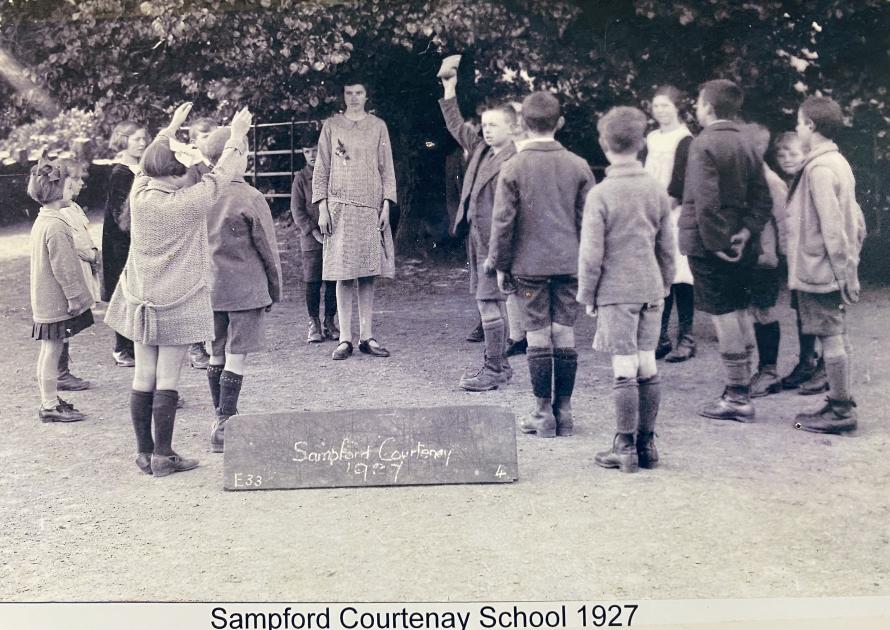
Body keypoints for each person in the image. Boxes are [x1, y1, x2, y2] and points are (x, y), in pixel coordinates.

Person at [104, 102, 253, 477]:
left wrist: (170, 128)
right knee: (168, 380)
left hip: (140, 298)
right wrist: (237, 135)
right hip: (176, 300)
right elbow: (225, 172)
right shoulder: (188, 203)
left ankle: (144, 452)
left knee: (143, 376)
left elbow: (150, 157)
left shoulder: (140, 192)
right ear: (174, 175)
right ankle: (164, 455)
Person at [488, 91, 596, 437]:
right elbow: (589, 223)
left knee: (536, 334)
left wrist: (500, 265)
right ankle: (565, 412)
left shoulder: (513, 167)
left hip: (528, 267)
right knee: (564, 332)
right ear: (559, 123)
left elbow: (503, 222)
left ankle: (542, 412)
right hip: (569, 265)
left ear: (521, 124)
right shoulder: (579, 165)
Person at [577, 106, 675, 472]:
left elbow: (591, 254)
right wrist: (664, 283)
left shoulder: (602, 193)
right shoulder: (656, 189)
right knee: (648, 362)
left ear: (604, 145)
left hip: (616, 291)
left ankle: (625, 445)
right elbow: (667, 245)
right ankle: (648, 445)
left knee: (623, 366)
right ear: (643, 143)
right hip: (651, 288)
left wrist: (588, 295)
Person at [679, 79, 772, 422]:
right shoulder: (748, 142)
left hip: (709, 245)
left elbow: (705, 202)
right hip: (743, 243)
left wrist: (717, 245)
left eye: (699, 104)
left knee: (724, 314)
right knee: (740, 309)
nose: (697, 109)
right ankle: (740, 387)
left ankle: (737, 396)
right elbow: (763, 197)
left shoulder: (703, 143)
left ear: (708, 108)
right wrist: (746, 232)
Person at [787, 96, 866, 434]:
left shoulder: (819, 168)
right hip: (830, 268)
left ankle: (841, 409)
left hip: (821, 271)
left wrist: (844, 271)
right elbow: (857, 219)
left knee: (831, 337)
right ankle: (839, 398)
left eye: (799, 122)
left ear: (811, 126)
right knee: (834, 334)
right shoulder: (838, 161)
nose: (796, 128)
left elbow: (833, 228)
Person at [204, 126, 282, 452]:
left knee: (215, 351)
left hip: (209, 289)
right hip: (245, 291)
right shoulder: (250, 197)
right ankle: (225, 421)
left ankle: (220, 415)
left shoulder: (200, 194)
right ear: (238, 156)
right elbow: (268, 248)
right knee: (237, 355)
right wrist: (274, 290)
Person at [439, 71, 516, 390]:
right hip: (477, 238)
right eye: (484, 124)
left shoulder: (515, 160)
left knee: (488, 302)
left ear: (513, 128)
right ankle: (501, 362)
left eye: (493, 124)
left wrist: (500, 256)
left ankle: (494, 367)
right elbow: (456, 124)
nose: (486, 129)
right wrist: (449, 87)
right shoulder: (483, 149)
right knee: (490, 301)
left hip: (495, 243)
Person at [313, 78, 397, 360]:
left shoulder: (378, 126)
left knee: (368, 274)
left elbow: (386, 169)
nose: (354, 97)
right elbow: (321, 168)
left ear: (366, 95)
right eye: (349, 92)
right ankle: (345, 338)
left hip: (370, 208)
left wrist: (386, 205)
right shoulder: (332, 126)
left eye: (359, 92)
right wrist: (322, 208)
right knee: (343, 273)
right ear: (343, 95)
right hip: (340, 207)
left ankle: (367, 336)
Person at [28, 157, 95, 423]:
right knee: (52, 352)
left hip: (45, 301)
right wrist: (77, 299)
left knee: (49, 351)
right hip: (54, 302)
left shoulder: (45, 219)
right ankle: (48, 404)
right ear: (58, 190)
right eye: (69, 186)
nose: (73, 190)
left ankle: (51, 399)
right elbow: (65, 269)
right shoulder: (57, 225)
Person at [643, 85, 696, 363]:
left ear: (677, 107)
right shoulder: (651, 138)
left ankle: (686, 339)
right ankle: (659, 337)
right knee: (659, 274)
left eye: (666, 105)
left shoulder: (685, 139)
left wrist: (664, 208)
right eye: (656, 105)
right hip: (652, 214)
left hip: (674, 215)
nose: (660, 110)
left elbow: (681, 185)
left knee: (681, 275)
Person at [773, 131, 825, 393]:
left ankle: (826, 367)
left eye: (793, 154)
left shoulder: (814, 179)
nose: (787, 159)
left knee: (823, 313)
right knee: (802, 310)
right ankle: (806, 361)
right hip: (797, 260)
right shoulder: (788, 183)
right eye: (781, 154)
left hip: (818, 261)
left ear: (806, 154)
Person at [743, 123, 790, 397]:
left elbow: (784, 222)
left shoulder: (771, 182)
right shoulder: (747, 178)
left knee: (764, 311)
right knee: (753, 312)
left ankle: (769, 371)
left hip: (766, 259)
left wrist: (783, 258)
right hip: (749, 258)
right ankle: (759, 369)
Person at [102, 121, 147, 368]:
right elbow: (122, 214)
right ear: (123, 140)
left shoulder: (138, 168)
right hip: (121, 240)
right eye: (136, 139)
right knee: (125, 291)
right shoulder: (121, 172)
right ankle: (122, 347)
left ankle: (131, 344)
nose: (142, 143)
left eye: (143, 138)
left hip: (133, 236)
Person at [56, 174, 101, 392]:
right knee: (63, 322)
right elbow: (72, 244)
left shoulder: (73, 208)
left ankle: (62, 370)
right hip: (76, 266)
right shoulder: (61, 214)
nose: (82, 183)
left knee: (71, 322)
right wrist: (91, 255)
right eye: (76, 179)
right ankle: (60, 373)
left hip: (84, 263)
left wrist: (93, 252)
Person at [182, 117, 220, 370]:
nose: (212, 140)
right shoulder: (191, 168)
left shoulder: (217, 164)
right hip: (197, 234)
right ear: (193, 141)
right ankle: (195, 347)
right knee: (195, 290)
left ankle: (211, 341)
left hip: (215, 232)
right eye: (205, 136)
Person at [291, 144, 338, 342]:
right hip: (311, 240)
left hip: (334, 237)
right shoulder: (301, 178)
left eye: (315, 150)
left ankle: (330, 322)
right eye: (306, 151)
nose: (311, 155)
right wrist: (313, 231)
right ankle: (314, 324)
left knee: (333, 280)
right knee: (312, 281)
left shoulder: (332, 174)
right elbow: (297, 211)